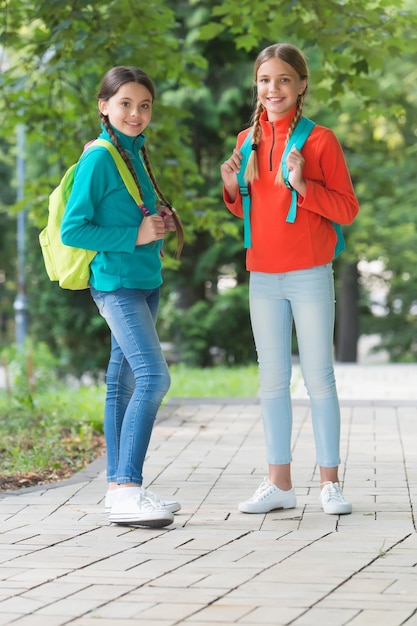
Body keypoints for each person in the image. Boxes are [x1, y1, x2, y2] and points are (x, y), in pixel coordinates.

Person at [220, 43, 359, 516]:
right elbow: (250, 208)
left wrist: (305, 185)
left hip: (309, 274)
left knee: (319, 377)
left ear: (301, 85)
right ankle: (280, 484)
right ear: (256, 87)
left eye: (283, 79)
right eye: (264, 80)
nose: (273, 88)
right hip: (263, 275)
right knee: (272, 380)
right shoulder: (246, 140)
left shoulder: (320, 140)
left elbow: (346, 208)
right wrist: (229, 186)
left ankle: (330, 484)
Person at [61, 66, 184, 528]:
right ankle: (130, 488)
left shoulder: (135, 153)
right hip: (115, 284)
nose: (136, 113)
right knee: (154, 378)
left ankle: (118, 489)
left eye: (144, 105)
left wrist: (157, 226)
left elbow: (136, 221)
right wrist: (134, 234)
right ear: (104, 105)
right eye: (126, 103)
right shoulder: (100, 158)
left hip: (145, 282)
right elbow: (75, 229)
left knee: (124, 383)